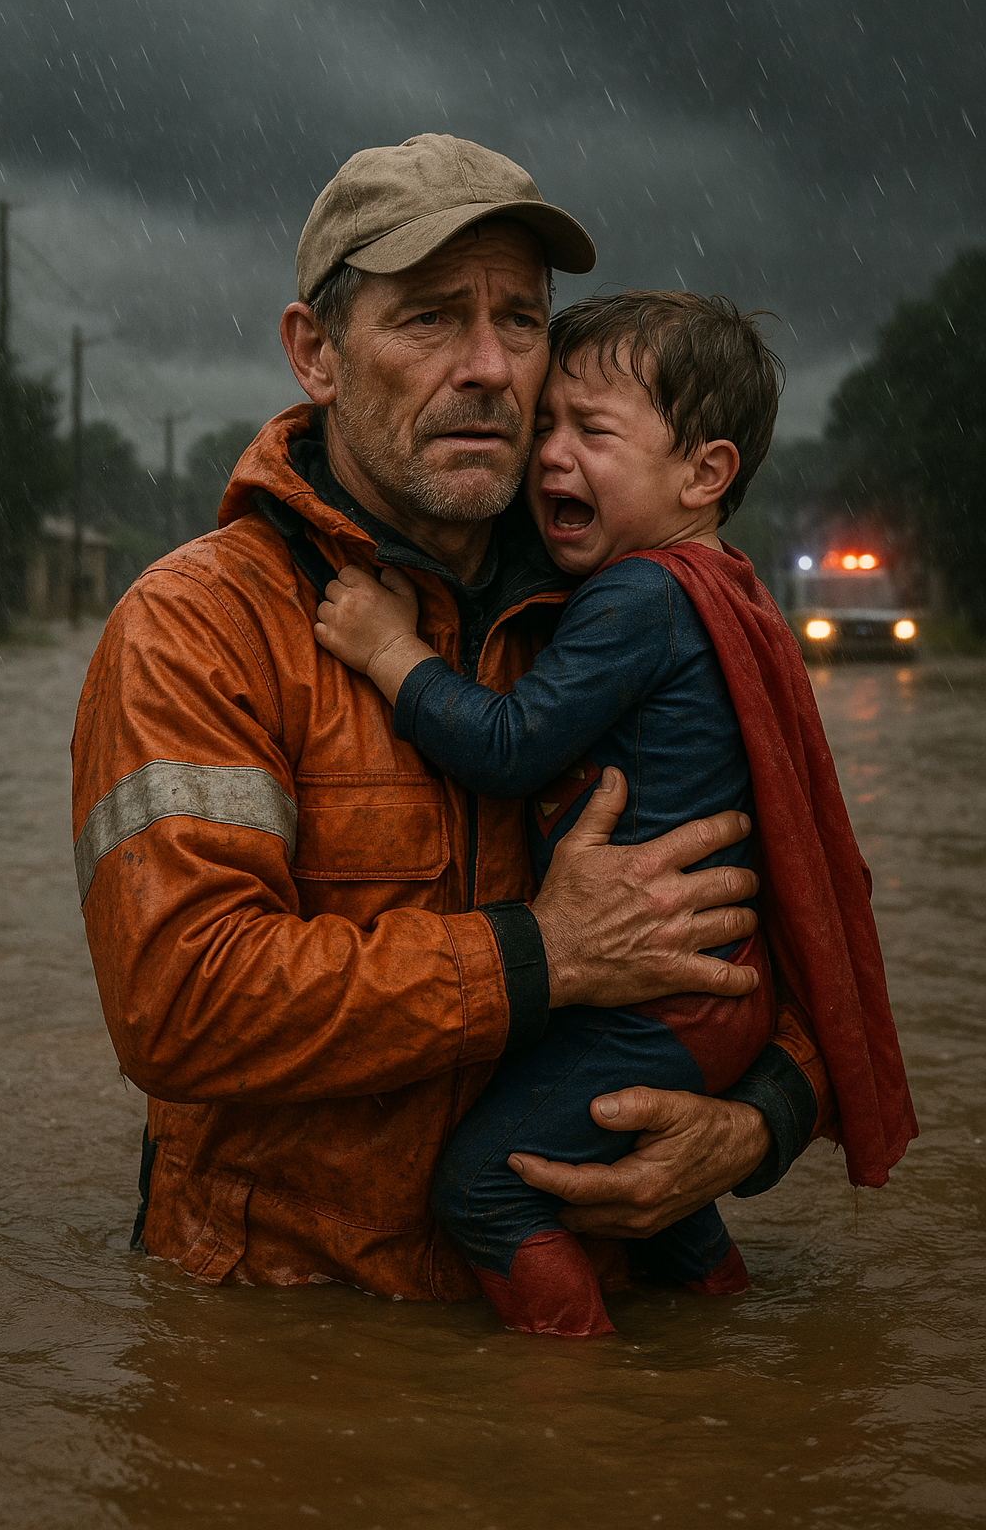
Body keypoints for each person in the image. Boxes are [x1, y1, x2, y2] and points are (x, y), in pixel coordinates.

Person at [72, 134, 840, 1300]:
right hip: (299, 1341)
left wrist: (758, 1125)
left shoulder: (643, 608)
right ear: (315, 354)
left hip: (594, 1342)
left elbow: (812, 930)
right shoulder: (196, 626)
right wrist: (542, 957)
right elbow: (182, 1005)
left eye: (521, 321)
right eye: (429, 318)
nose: (487, 366)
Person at [311, 289, 918, 1334]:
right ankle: (714, 1329)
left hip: (657, 1002)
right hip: (720, 994)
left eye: (590, 432)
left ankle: (577, 1411)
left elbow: (506, 748)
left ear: (704, 474)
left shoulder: (637, 595)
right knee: (644, 1194)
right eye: (547, 423)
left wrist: (389, 650)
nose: (550, 454)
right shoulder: (723, 585)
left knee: (483, 1190)